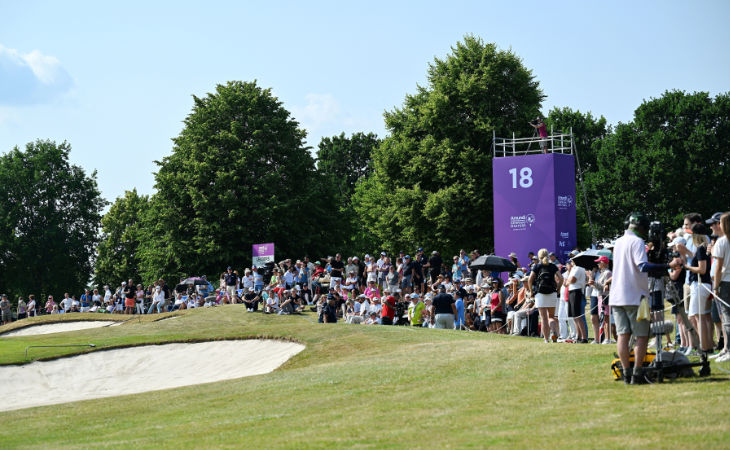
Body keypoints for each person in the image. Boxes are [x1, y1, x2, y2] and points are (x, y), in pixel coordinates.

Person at [611, 212, 681, 384]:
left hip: (617, 296)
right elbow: (642, 266)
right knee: (641, 335)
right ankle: (637, 373)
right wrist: (667, 266)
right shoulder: (637, 242)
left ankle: (626, 372)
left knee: (623, 335)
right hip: (637, 296)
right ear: (642, 227)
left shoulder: (618, 242)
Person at [685, 222, 714, 357]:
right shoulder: (703, 248)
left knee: (697, 317)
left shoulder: (701, 249)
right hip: (701, 284)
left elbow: (702, 270)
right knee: (698, 316)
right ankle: (706, 346)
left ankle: (704, 346)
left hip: (700, 284)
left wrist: (688, 267)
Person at [527, 248, 563, 343]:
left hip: (540, 293)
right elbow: (561, 278)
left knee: (543, 318)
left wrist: (531, 291)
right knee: (551, 317)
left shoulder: (537, 266)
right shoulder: (553, 266)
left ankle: (546, 339)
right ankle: (554, 333)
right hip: (552, 292)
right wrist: (558, 289)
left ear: (539, 256)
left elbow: (530, 280)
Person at [711, 212, 730, 362]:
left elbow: (718, 267)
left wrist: (715, 287)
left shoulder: (722, 242)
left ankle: (729, 349)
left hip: (726, 282)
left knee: (727, 317)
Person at [565, 256, 588, 343]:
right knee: (574, 316)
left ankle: (584, 337)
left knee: (578, 316)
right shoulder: (573, 269)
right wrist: (568, 281)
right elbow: (567, 282)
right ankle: (578, 336)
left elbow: (572, 280)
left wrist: (568, 281)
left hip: (576, 291)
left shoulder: (579, 268)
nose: (571, 261)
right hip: (572, 291)